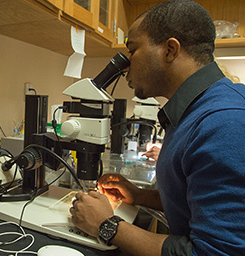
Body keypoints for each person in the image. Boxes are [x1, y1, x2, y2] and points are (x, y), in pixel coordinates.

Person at [69, 0, 245, 255]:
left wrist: (106, 225)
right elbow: (200, 199)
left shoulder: (223, 123)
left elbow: (215, 252)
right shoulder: (198, 109)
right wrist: (140, 196)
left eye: (132, 50)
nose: (126, 66)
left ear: (170, 50)